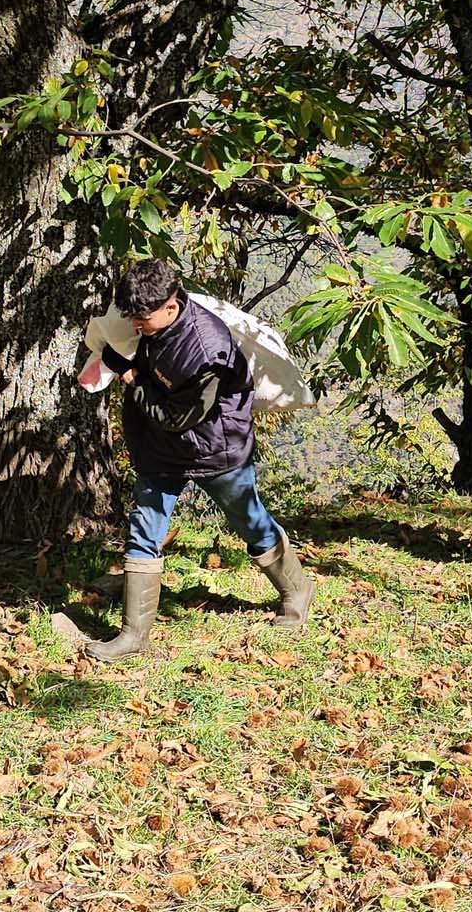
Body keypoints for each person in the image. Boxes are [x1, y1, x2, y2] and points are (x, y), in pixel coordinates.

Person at [83, 258, 313, 661]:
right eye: (130, 316)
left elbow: (177, 417)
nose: (135, 324)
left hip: (215, 449)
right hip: (160, 448)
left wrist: (129, 377)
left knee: (250, 522)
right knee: (144, 529)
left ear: (170, 307)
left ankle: (296, 590)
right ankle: (134, 636)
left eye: (142, 317)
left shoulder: (207, 351)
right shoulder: (155, 320)